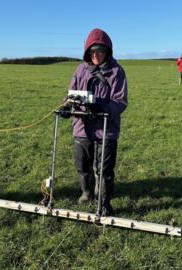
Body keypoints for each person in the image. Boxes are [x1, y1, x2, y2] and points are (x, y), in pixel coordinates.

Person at [60, 28, 128, 216]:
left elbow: (120, 101)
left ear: (107, 51)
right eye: (92, 51)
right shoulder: (80, 70)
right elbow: (71, 93)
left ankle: (104, 201)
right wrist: (66, 106)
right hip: (81, 127)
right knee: (82, 164)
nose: (96, 55)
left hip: (106, 129)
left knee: (104, 168)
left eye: (100, 50)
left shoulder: (116, 71)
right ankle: (86, 191)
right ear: (87, 52)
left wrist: (101, 106)